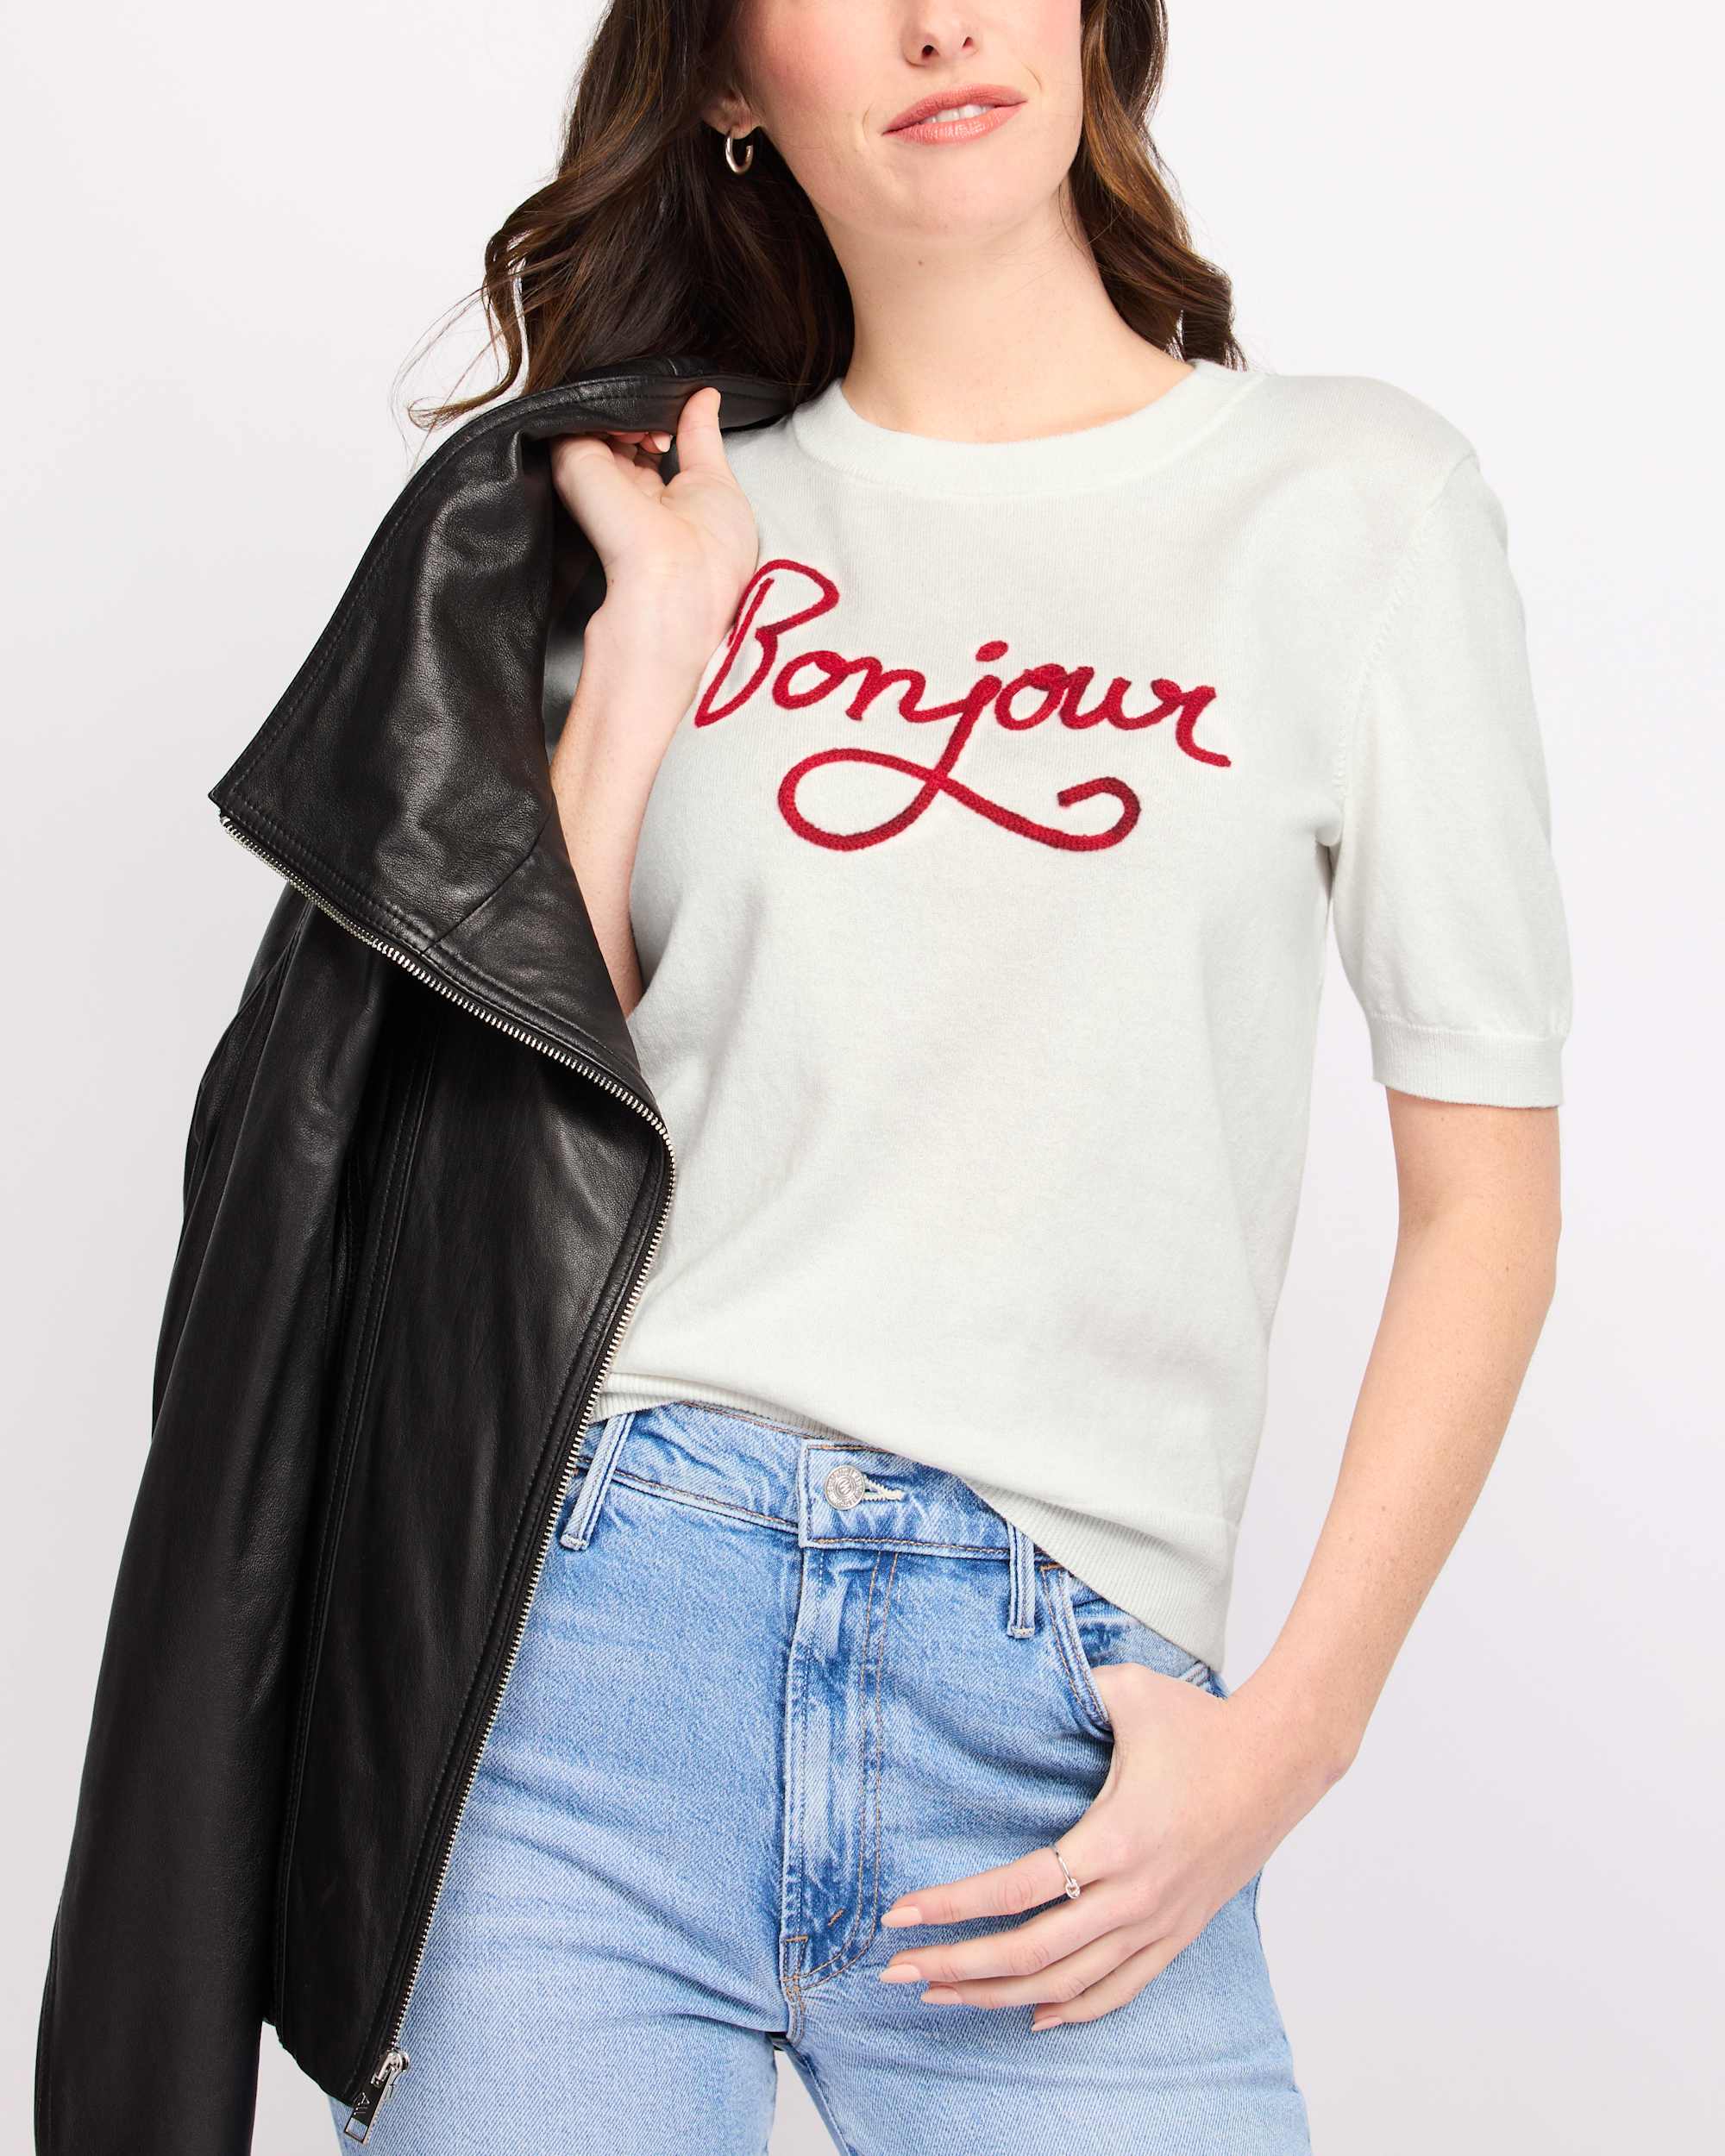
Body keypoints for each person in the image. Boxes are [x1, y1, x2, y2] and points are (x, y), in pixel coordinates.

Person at [39, 4, 1571, 2153]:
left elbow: (1485, 1198)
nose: (937, 21)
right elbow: (512, 1132)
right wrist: (642, 658)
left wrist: (1290, 1736)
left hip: (1056, 1723)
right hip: (587, 1657)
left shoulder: (1350, 501)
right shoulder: (657, 517)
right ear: (728, 80)